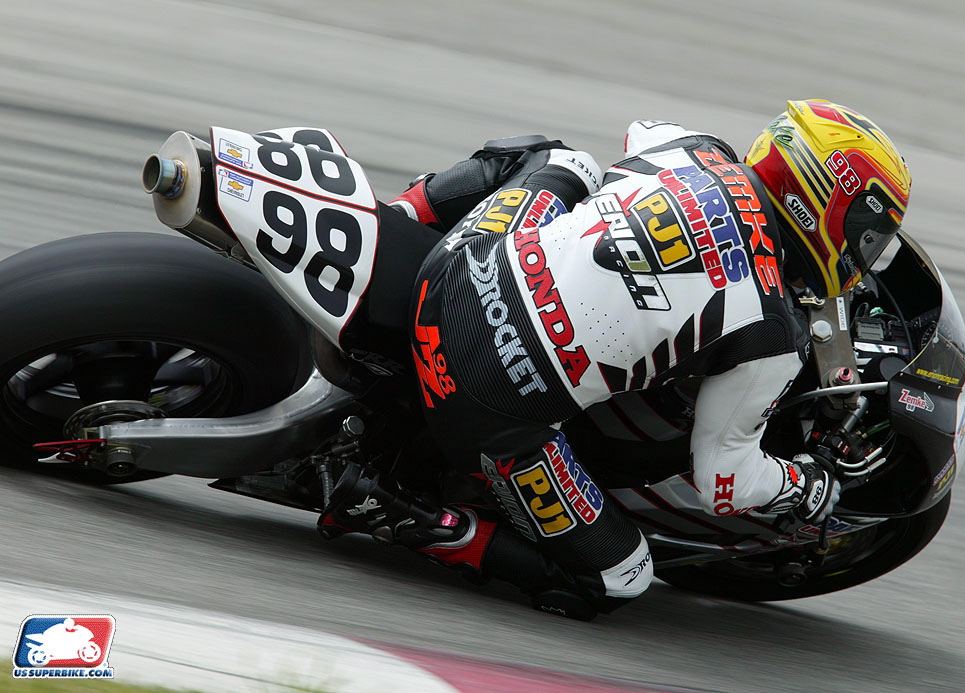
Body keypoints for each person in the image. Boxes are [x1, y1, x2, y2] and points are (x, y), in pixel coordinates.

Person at [318, 100, 912, 620]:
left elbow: (642, 130)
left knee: (565, 161)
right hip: (482, 400)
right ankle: (394, 510)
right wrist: (806, 485)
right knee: (620, 577)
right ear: (823, 208)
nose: (867, 254)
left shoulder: (696, 150)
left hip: (453, 269)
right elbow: (724, 485)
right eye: (869, 234)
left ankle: (391, 220)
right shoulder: (772, 332)